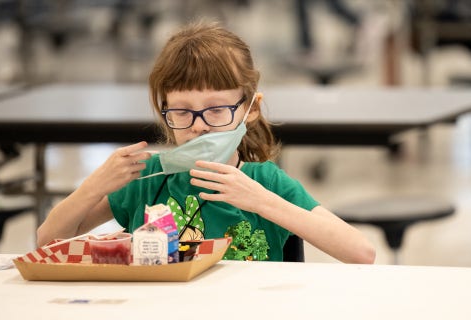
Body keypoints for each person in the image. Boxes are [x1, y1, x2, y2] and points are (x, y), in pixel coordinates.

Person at [36, 21, 376, 264]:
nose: (199, 127)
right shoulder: (148, 177)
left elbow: (361, 253)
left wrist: (261, 202)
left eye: (216, 110)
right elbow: (48, 241)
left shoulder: (265, 182)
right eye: (182, 112)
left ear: (250, 110)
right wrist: (93, 186)